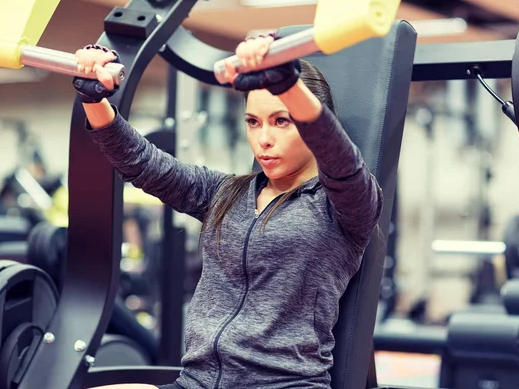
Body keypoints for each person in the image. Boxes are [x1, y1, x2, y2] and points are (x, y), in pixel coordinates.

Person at [75, 34, 383, 389]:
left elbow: (341, 160)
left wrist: (288, 83)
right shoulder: (226, 193)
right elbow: (142, 163)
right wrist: (93, 97)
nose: (263, 138)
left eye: (281, 121)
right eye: (254, 122)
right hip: (197, 382)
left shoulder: (345, 203)